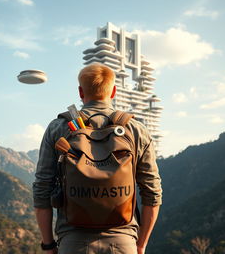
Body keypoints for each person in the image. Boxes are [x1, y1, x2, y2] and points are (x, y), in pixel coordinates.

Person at [33, 63, 162, 254]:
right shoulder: (136, 129)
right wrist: (141, 245)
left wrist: (49, 245)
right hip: (123, 242)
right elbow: (152, 192)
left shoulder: (59, 127)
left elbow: (42, 188)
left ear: (80, 91)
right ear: (113, 91)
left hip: (72, 242)